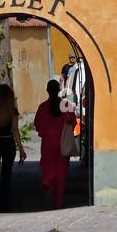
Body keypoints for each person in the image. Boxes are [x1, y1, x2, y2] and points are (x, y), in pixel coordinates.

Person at [0, 82, 26, 212]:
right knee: (6, 173)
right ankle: (4, 203)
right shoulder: (12, 110)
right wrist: (20, 148)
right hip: (8, 143)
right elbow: (14, 129)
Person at [34, 79, 73, 208]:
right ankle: (58, 201)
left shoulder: (42, 107)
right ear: (58, 90)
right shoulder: (66, 105)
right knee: (61, 172)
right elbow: (73, 122)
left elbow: (37, 124)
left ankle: (48, 191)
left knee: (48, 169)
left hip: (47, 144)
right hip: (62, 143)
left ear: (47, 91)